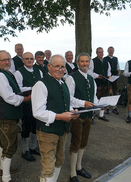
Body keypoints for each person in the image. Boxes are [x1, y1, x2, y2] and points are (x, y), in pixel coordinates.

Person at [32, 54, 80, 182]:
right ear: (49, 66)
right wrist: (60, 116)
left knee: (60, 160)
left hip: (62, 129)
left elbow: (65, 103)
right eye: (56, 66)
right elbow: (37, 112)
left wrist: (72, 112)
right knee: (48, 166)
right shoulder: (41, 85)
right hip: (47, 132)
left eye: (62, 67)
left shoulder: (63, 82)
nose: (60, 69)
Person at [0, 50, 30, 182]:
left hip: (6, 115)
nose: (7, 62)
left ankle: (3, 169)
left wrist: (31, 89)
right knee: (9, 146)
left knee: (4, 143)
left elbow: (15, 91)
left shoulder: (5, 73)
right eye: (3, 60)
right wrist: (27, 98)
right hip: (5, 116)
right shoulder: (0, 75)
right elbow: (9, 97)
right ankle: (6, 178)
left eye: (8, 59)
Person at [65, 53, 98, 182]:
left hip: (89, 115)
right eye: (82, 61)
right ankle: (73, 173)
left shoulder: (91, 79)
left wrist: (101, 105)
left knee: (84, 142)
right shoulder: (71, 78)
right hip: (77, 116)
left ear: (89, 63)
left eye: (86, 61)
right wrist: (83, 103)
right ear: (77, 63)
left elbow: (94, 97)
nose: (85, 64)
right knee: (75, 143)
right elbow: (69, 99)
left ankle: (79, 167)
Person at [14, 52, 42, 162]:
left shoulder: (38, 71)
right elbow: (18, 88)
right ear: (23, 60)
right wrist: (32, 88)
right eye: (27, 59)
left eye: (31, 58)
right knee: (26, 125)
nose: (29, 60)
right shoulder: (18, 73)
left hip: (37, 102)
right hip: (26, 103)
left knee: (36, 124)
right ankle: (25, 150)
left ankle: (33, 147)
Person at [88, 47, 111, 122]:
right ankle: (92, 116)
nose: (100, 54)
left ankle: (101, 115)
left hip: (105, 83)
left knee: (104, 100)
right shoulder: (92, 61)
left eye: (101, 52)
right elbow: (89, 72)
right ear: (96, 53)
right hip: (96, 83)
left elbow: (109, 71)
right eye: (99, 52)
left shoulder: (106, 62)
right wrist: (98, 76)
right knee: (94, 99)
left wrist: (109, 76)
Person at [103, 46, 120, 114]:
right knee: (106, 92)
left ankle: (114, 107)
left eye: (112, 50)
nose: (111, 52)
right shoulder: (105, 59)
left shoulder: (116, 59)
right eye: (110, 50)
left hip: (114, 77)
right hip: (107, 77)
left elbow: (118, 67)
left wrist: (118, 74)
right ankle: (106, 107)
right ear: (108, 51)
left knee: (114, 92)